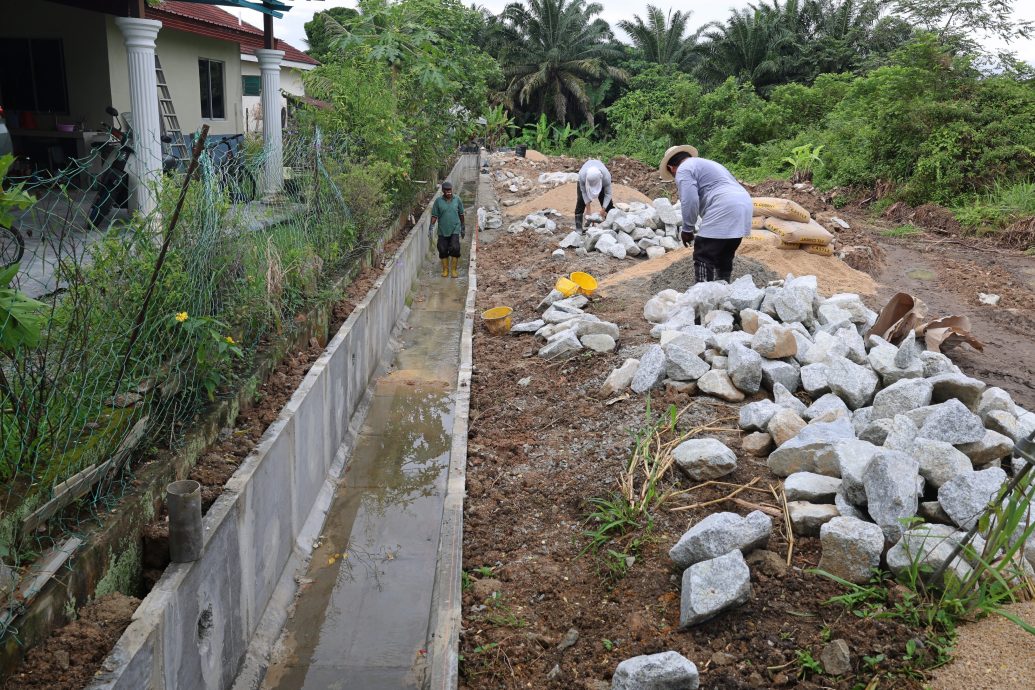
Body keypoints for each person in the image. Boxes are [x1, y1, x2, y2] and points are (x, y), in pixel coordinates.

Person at [659, 145, 752, 283]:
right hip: (744, 203)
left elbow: (690, 200)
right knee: (725, 254)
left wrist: (687, 229)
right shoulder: (708, 164)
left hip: (724, 204)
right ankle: (723, 287)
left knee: (703, 254)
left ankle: (703, 292)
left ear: (671, 168)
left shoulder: (683, 170)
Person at [431, 180, 465, 278]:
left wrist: (463, 226)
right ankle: (445, 270)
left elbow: (461, 214)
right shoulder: (438, 201)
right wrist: (431, 226)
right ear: (443, 191)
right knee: (442, 248)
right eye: (446, 190)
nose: (449, 192)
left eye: (450, 190)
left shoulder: (457, 200)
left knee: (455, 247)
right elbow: (434, 215)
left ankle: (453, 270)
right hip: (442, 229)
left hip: (455, 228)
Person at [575, 159, 614, 232]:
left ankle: (612, 225)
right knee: (580, 201)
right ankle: (578, 228)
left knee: (607, 203)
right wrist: (588, 210)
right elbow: (584, 192)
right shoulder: (582, 176)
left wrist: (603, 210)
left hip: (601, 181)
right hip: (585, 182)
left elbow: (608, 194)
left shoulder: (606, 177)